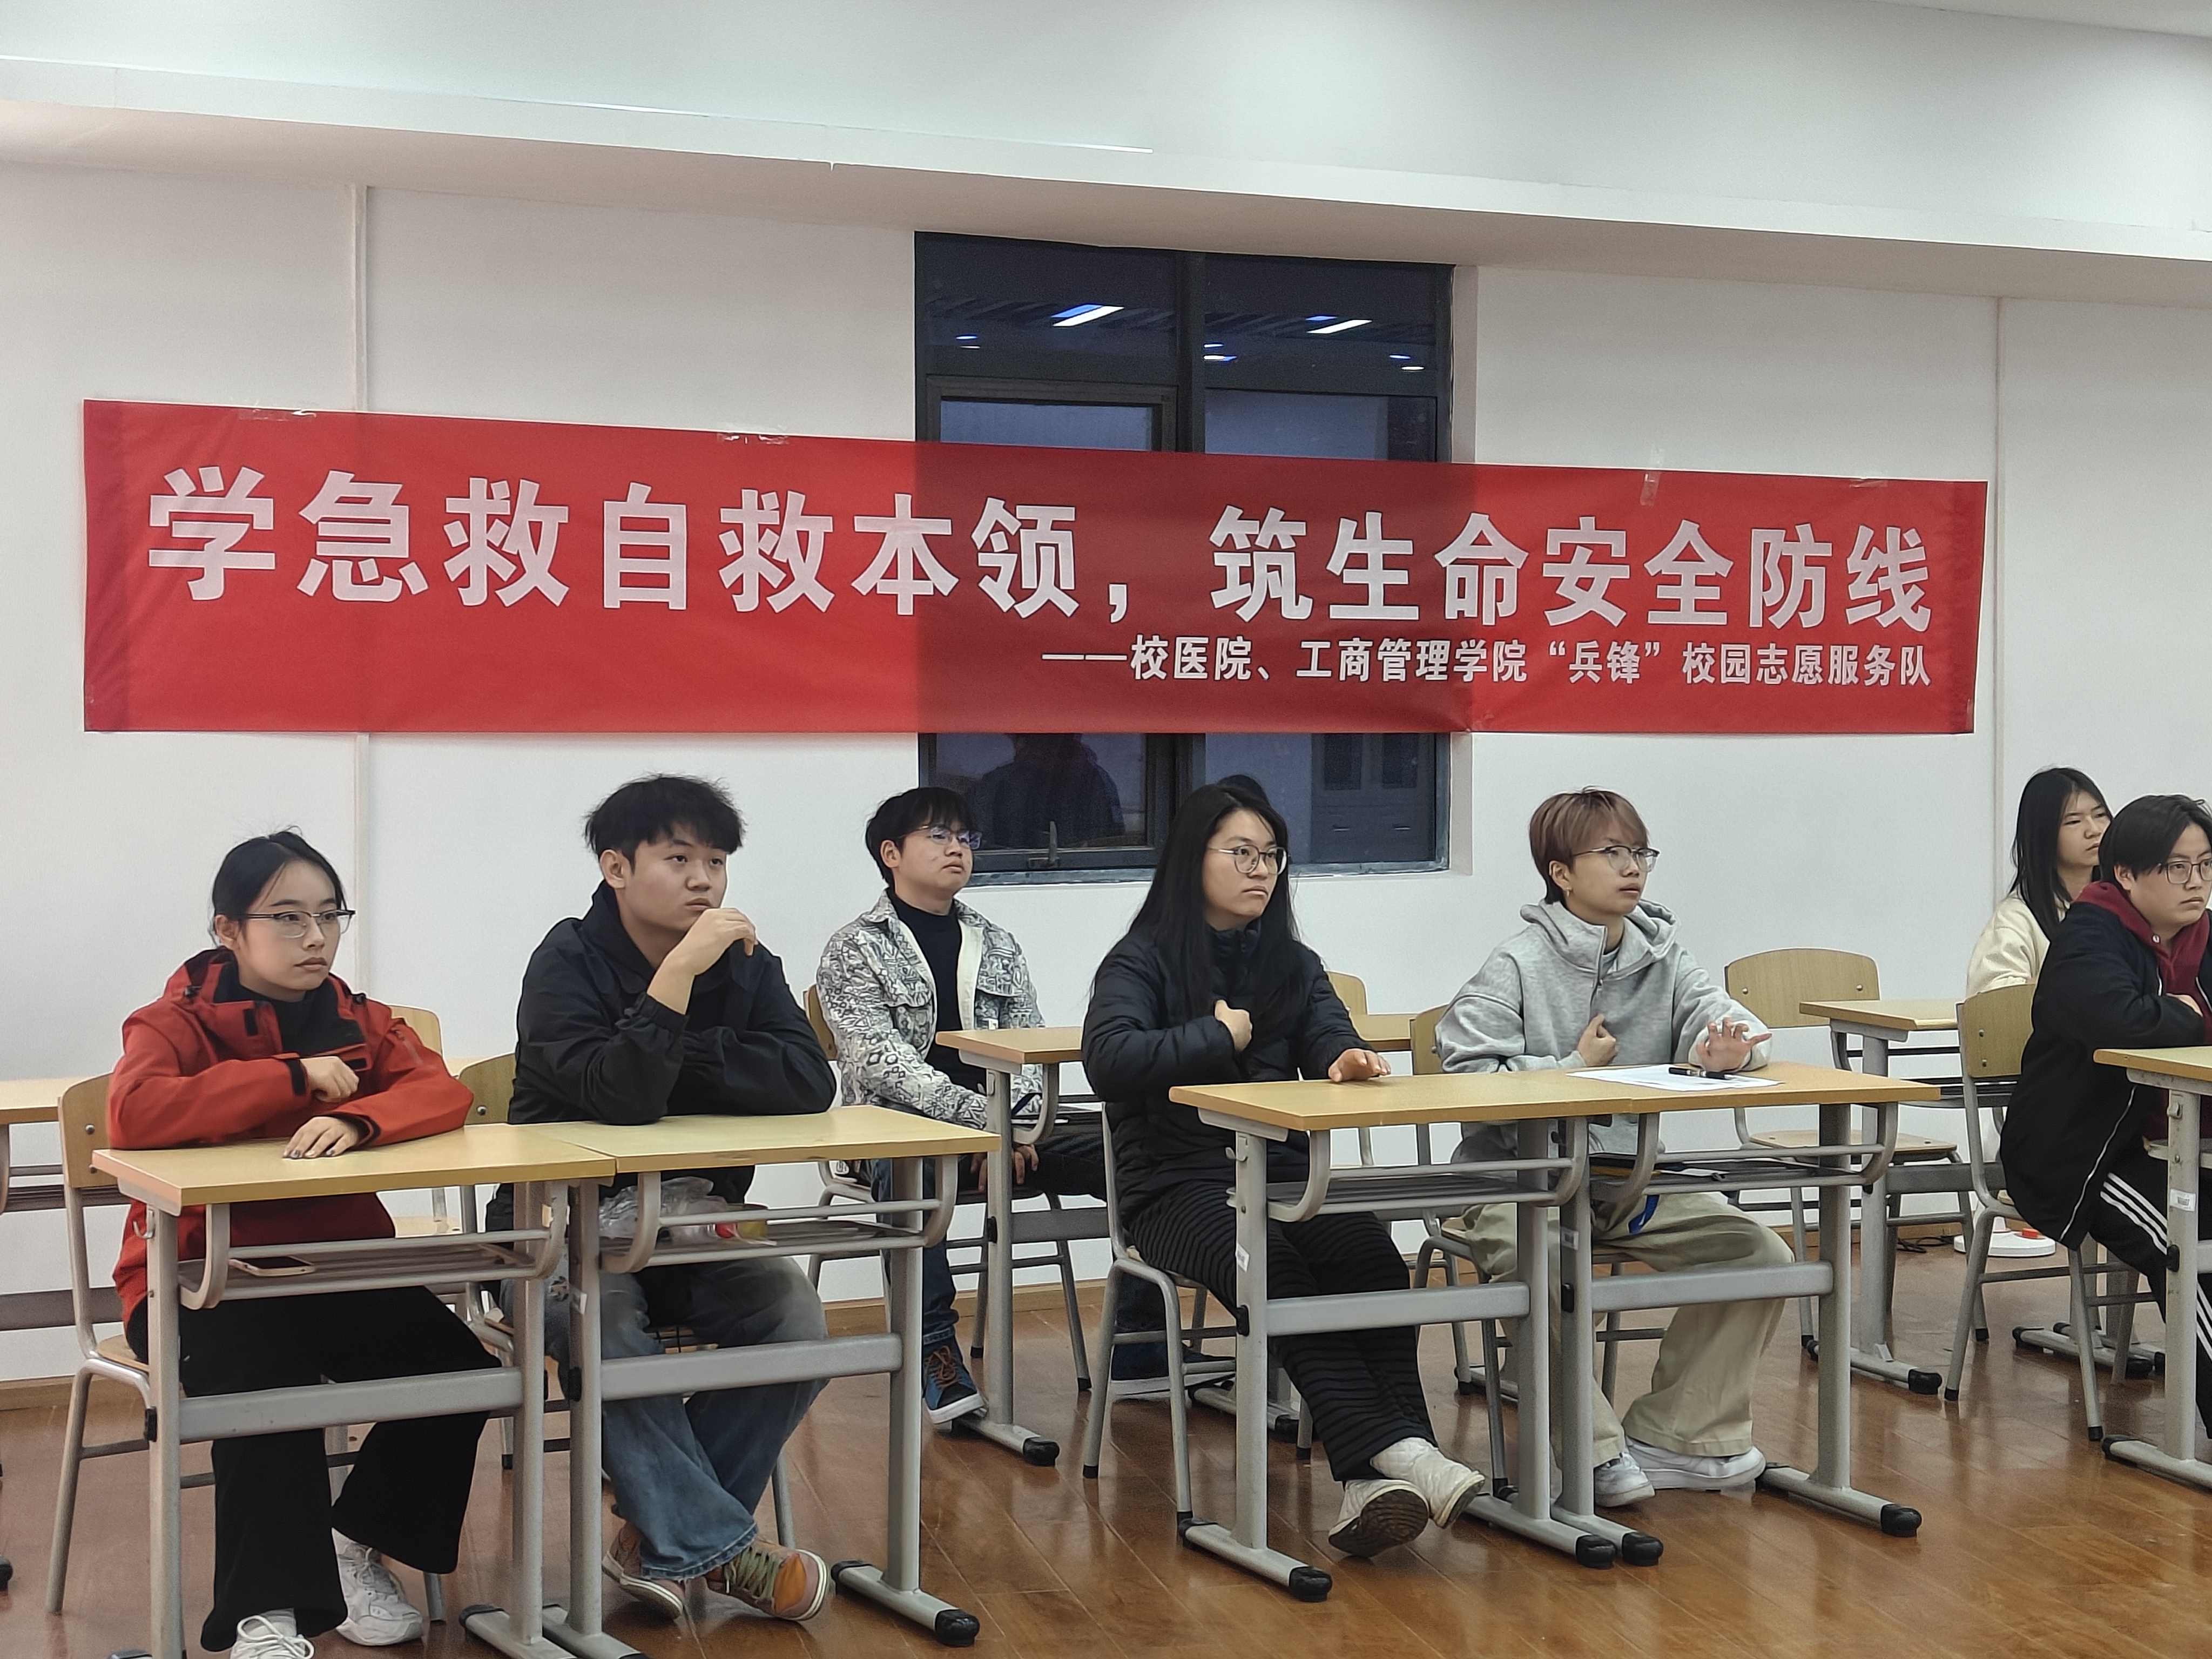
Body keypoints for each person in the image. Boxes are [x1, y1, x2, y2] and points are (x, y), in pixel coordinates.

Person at [107, 832, 494, 1659]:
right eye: (287, 917)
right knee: (266, 1385)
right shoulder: (171, 1023)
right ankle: (269, 1616)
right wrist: (291, 1076)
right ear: (228, 929)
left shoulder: (361, 1018)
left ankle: (352, 1546)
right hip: (200, 1282)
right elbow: (135, 1113)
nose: (315, 937)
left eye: (329, 915)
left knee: (461, 1373)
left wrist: (361, 1117)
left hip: (336, 1270)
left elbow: (442, 1091)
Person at [1083, 781, 1486, 1557]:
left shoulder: (1292, 964)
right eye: (1241, 853)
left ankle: (1374, 1481)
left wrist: (1346, 1058)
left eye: (1271, 856)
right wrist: (1216, 1036)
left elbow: (1329, 1033)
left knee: (1371, 1258)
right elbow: (1109, 1060)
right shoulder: (1140, 960)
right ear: (1191, 860)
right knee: (1276, 1272)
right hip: (1173, 1187)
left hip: (1281, 1177)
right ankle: (1409, 1456)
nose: (1261, 870)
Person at [495, 775, 836, 1623]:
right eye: (679, 859)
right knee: (603, 1324)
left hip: (686, 1227)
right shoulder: (565, 963)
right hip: (558, 1235)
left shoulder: (746, 962)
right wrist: (680, 976)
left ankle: (662, 1531)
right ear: (616, 868)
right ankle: (723, 1549)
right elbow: (621, 1098)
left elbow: (806, 1081)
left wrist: (677, 1047)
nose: (704, 882)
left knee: (796, 1318)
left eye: (716, 862)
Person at [1438, 787, 1791, 1508]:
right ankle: (1593, 1455)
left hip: (1628, 1182)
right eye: (1612, 853)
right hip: (1519, 1183)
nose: (1633, 868)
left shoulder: (1663, 955)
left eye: (1640, 852)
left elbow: (1734, 1026)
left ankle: (1676, 1437)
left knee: (1759, 1255)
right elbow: (1466, 1076)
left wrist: (1729, 1052)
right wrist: (1573, 1068)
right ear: (1561, 872)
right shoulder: (1515, 963)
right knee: (1546, 1264)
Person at [815, 787, 1169, 1424]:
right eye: (938, 836)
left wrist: (1021, 1125)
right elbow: (882, 1065)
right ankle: (933, 1352)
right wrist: (988, 1124)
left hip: (1009, 1129)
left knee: (1140, 1147)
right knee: (910, 1167)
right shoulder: (855, 947)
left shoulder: (995, 941)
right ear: (891, 854)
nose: (957, 848)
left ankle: (1140, 1344)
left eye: (965, 838)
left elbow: (1029, 1047)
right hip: (901, 1131)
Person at [2002, 793, 2212, 1435]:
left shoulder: (2204, 937)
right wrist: (2189, 1015)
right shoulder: (2089, 935)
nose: (2196, 882)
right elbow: (2117, 1021)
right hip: (2085, 1154)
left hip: (2183, 1146)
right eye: (2177, 868)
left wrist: (2179, 1014)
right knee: (2187, 1241)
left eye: (2206, 864)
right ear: (2125, 874)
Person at [1967, 766, 2109, 995]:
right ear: (2044, 834)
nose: (2094, 830)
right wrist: (2072, 974)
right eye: (2074, 821)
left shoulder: (2125, 901)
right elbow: (1991, 1000)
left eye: (2100, 816)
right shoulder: (2016, 918)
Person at [969, 733, 1125, 848]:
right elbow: (975, 839)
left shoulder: (1095, 781)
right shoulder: (996, 782)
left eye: (1051, 743)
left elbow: (1108, 842)